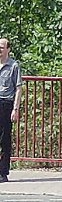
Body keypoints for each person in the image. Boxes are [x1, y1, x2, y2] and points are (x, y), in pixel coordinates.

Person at [0, 38, 23, 182]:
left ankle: (3, 172)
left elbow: (19, 88)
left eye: (2, 47)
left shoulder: (14, 66)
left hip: (6, 103)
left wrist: (15, 108)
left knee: (4, 139)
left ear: (8, 49)